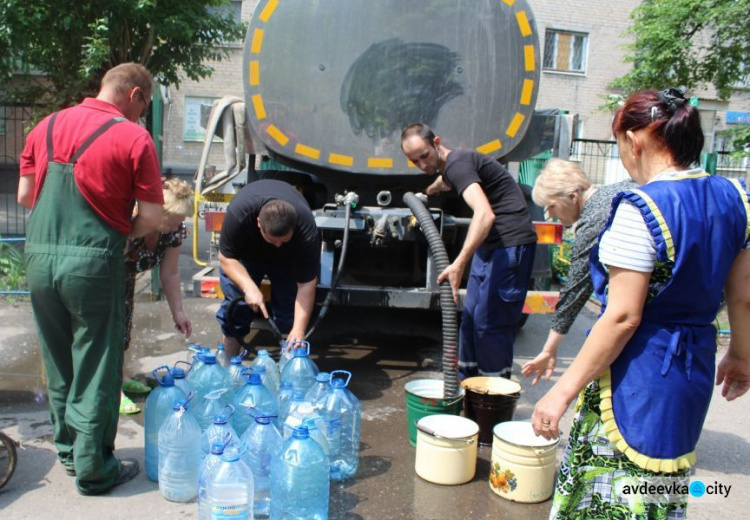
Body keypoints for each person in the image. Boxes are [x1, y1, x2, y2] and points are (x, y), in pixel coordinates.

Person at [531, 87, 750, 519]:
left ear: (634, 141)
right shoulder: (736, 198)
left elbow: (623, 317)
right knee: (660, 489)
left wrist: (560, 393)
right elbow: (742, 294)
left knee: (613, 493)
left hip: (637, 377)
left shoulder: (640, 207)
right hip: (692, 371)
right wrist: (741, 355)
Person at [17, 63, 164, 494]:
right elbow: (152, 218)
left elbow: (27, 196)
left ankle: (67, 451)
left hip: (40, 257)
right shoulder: (134, 137)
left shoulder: (44, 126)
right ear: (135, 94)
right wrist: (120, 235)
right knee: (97, 363)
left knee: (58, 359)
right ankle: (95, 469)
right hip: (94, 261)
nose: (142, 115)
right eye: (145, 106)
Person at [401, 124, 537, 380]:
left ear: (437, 142)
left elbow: (485, 214)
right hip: (491, 247)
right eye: (413, 160)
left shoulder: (457, 165)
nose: (421, 165)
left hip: (510, 246)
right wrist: (430, 190)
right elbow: (445, 180)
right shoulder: (452, 166)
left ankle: (492, 398)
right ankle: (466, 389)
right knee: (471, 321)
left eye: (424, 156)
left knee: (490, 326)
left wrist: (459, 264)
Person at [521, 160, 634, 384]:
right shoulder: (617, 191)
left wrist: (549, 349)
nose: (551, 216)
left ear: (573, 196)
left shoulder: (593, 218)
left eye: (552, 206)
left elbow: (575, 289)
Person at [216, 179, 320, 358]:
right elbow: (226, 258)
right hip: (246, 256)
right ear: (258, 223)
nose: (278, 245)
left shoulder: (306, 230)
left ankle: (288, 362)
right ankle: (228, 363)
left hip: (287, 260)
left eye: (284, 240)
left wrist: (298, 330)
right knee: (237, 309)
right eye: (273, 240)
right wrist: (250, 288)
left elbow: (307, 284)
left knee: (289, 313)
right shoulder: (239, 214)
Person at [120, 178, 194, 414]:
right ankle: (111, 391)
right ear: (157, 213)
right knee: (107, 333)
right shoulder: (131, 221)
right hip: (107, 277)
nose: (177, 227)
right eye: (173, 222)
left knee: (122, 333)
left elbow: (170, 272)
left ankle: (119, 378)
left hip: (126, 281)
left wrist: (179, 313)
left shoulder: (174, 231)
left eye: (180, 222)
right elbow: (111, 259)